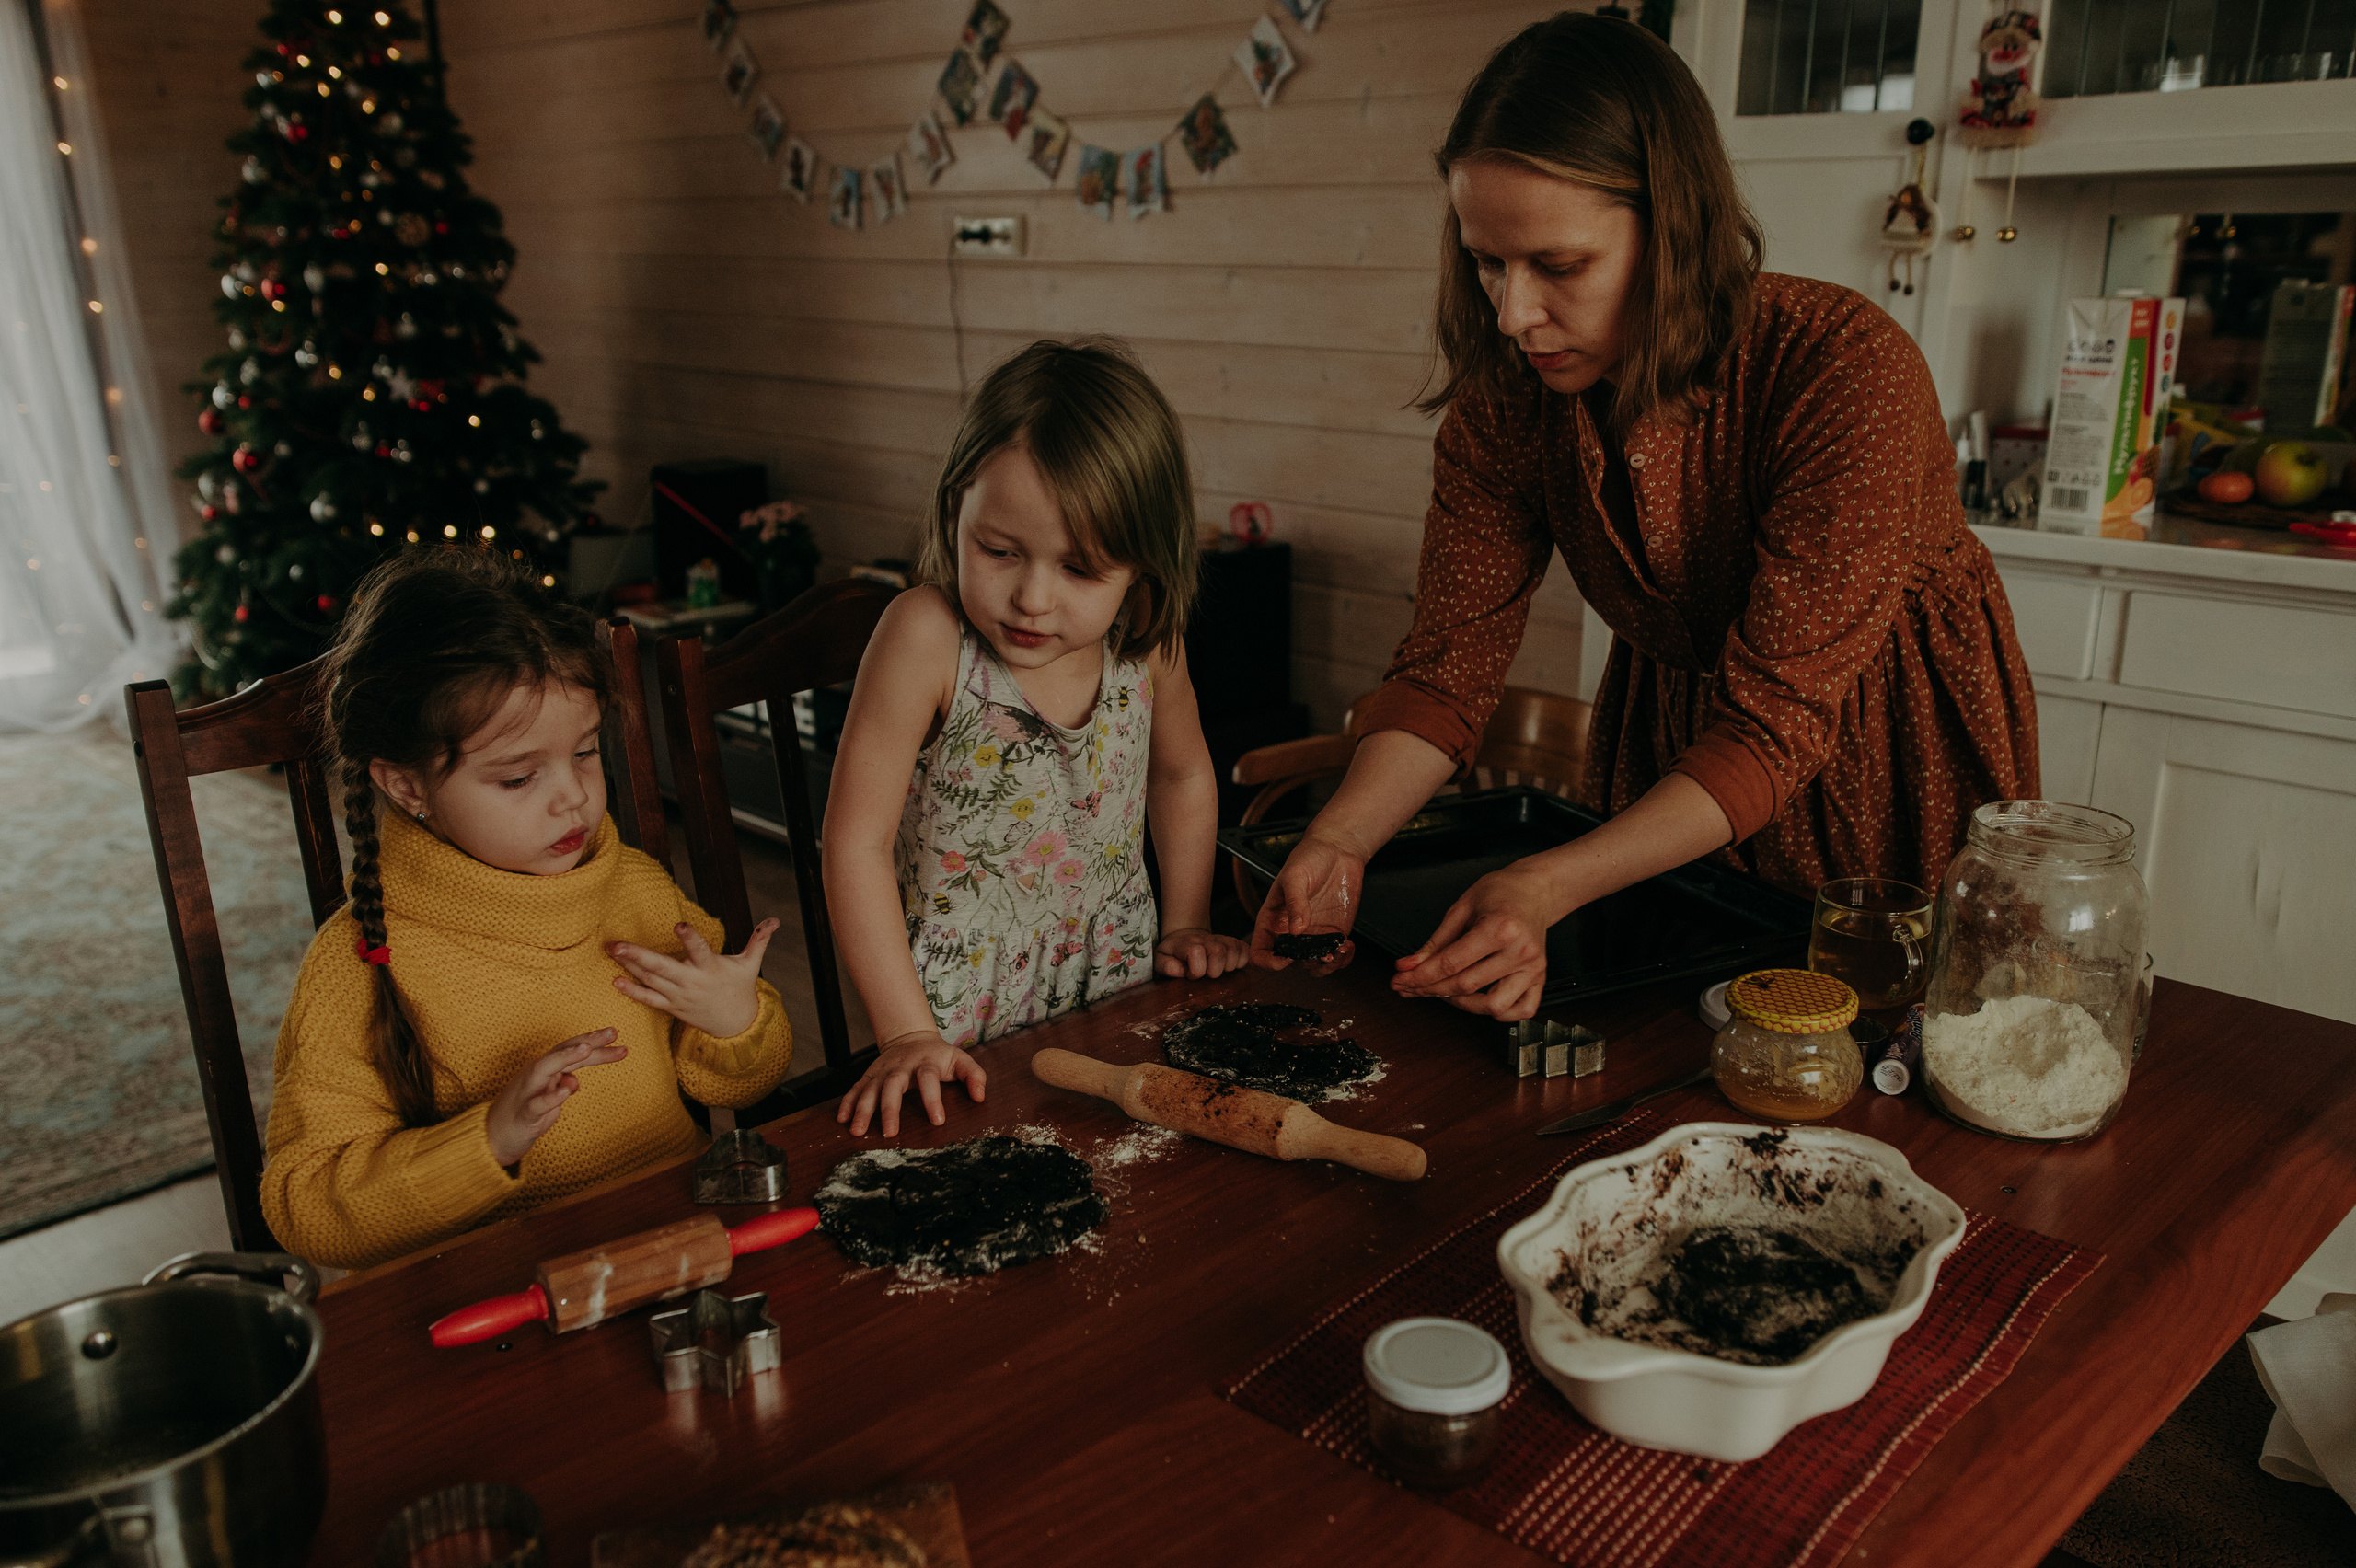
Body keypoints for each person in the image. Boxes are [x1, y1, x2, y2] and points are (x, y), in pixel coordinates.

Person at [1251, 14, 2038, 1021]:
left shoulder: (1844, 370)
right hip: (1678, 755)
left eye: (1557, 267)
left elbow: (1771, 724)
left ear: (1674, 226)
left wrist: (1545, 881)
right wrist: (1339, 839)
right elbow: (1446, 673)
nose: (1510, 314)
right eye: (1487, 262)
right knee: (1681, 1041)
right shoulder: (1507, 401)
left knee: (1880, 1041)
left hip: (1883, 745)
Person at [260, 552, 794, 1269]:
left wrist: (737, 1022)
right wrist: (488, 1141)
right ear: (405, 786)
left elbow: (743, 1081)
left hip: (670, 1248)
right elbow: (306, 1210)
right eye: (518, 777)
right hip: (498, 1299)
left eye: (584, 752)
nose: (571, 796)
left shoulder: (636, 889)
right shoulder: (359, 960)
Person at [827, 337, 1249, 1136]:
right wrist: (905, 1032)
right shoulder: (925, 635)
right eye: (999, 551)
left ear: (1140, 570)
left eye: (1081, 571)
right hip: (946, 1021)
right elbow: (853, 842)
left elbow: (1183, 775)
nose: (1031, 598)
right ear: (958, 506)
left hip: (1114, 991)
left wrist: (1187, 920)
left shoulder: (1147, 644)